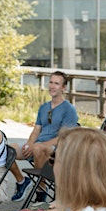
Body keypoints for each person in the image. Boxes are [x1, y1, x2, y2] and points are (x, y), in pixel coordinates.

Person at [10, 71, 79, 202]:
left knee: (38, 148)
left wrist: (41, 145)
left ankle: (41, 189)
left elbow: (65, 136)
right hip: (37, 146)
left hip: (56, 150)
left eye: (57, 84)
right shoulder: (44, 107)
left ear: (63, 88)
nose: (52, 86)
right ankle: (22, 181)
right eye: (51, 82)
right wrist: (29, 144)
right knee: (8, 149)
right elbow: (36, 130)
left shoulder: (69, 109)